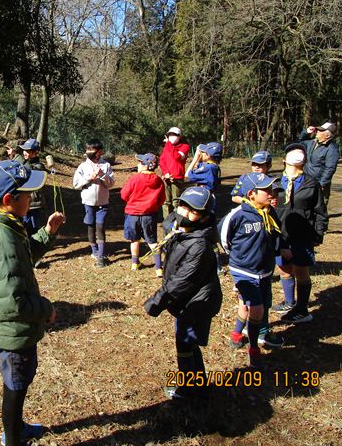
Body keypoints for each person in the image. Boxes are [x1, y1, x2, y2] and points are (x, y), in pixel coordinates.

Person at [0, 160, 65, 446]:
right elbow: (14, 304)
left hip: (12, 328)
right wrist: (46, 309)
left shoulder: (4, 222)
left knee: (19, 382)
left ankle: (16, 428)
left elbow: (22, 257)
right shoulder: (2, 239)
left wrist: (47, 233)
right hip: (13, 331)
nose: (32, 199)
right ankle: (12, 439)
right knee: (15, 385)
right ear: (8, 199)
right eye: (27, 194)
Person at [143, 187, 222, 400]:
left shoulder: (200, 245)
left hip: (196, 303)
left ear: (205, 217)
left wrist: (156, 301)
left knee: (185, 343)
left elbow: (183, 281)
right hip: (185, 303)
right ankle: (199, 384)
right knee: (188, 341)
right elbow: (170, 221)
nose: (184, 213)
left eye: (193, 211)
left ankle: (188, 390)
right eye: (183, 206)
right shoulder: (182, 229)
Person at [219, 173, 284, 368]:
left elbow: (276, 235)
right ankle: (253, 348)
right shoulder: (238, 215)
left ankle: (237, 334)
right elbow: (224, 239)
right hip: (244, 270)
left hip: (264, 269)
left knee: (244, 304)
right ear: (251, 194)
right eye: (267, 190)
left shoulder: (270, 212)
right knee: (257, 308)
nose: (272, 193)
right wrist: (240, 258)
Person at [270, 144, 328, 324]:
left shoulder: (312, 183)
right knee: (284, 268)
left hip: (302, 234)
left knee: (301, 271)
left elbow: (320, 211)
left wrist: (318, 234)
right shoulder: (276, 183)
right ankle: (289, 302)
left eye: (300, 151)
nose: (296, 153)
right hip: (281, 233)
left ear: (304, 160)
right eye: (291, 151)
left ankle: (302, 310)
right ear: (284, 159)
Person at [120, 153, 166, 275]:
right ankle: (158, 268)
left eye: (140, 162)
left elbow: (124, 195)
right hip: (149, 215)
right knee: (152, 241)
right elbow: (162, 199)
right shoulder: (159, 181)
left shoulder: (135, 179)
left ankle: (135, 263)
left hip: (132, 214)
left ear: (145, 166)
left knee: (134, 239)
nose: (138, 164)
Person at [72, 139, 115, 268]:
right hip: (88, 202)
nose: (89, 152)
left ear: (100, 152)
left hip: (103, 202)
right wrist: (88, 178)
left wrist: (103, 176)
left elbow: (111, 184)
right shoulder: (82, 166)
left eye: (92, 150)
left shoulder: (106, 165)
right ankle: (94, 250)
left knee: (100, 226)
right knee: (90, 226)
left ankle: (101, 255)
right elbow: (75, 184)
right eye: (87, 149)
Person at [298, 121, 340, 205]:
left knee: (319, 209)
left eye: (321, 130)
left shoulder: (331, 150)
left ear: (327, 135)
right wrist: (305, 132)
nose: (317, 131)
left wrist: (321, 184)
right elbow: (300, 143)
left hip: (319, 184)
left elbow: (330, 169)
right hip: (306, 181)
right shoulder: (312, 142)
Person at [159, 126, 190, 217]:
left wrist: (168, 144)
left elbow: (177, 157)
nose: (172, 136)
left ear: (180, 136)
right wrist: (166, 173)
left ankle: (177, 223)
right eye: (170, 134)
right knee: (166, 202)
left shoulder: (185, 147)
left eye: (174, 135)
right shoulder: (167, 147)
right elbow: (162, 161)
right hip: (166, 177)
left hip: (177, 178)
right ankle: (167, 223)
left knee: (176, 202)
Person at [20, 138, 47, 237]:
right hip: (24, 201)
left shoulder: (39, 166)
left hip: (34, 204)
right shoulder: (25, 163)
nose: (24, 152)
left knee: (33, 227)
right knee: (24, 225)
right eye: (24, 150)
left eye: (27, 151)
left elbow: (31, 170)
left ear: (35, 153)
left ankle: (34, 245)